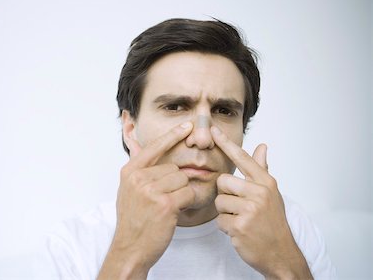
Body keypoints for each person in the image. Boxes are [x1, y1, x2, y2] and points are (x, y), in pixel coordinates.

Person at [36, 18, 336, 279]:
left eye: (223, 111)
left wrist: (284, 266)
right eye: (176, 106)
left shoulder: (289, 227)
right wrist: (129, 256)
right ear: (130, 127)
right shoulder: (71, 246)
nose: (203, 138)